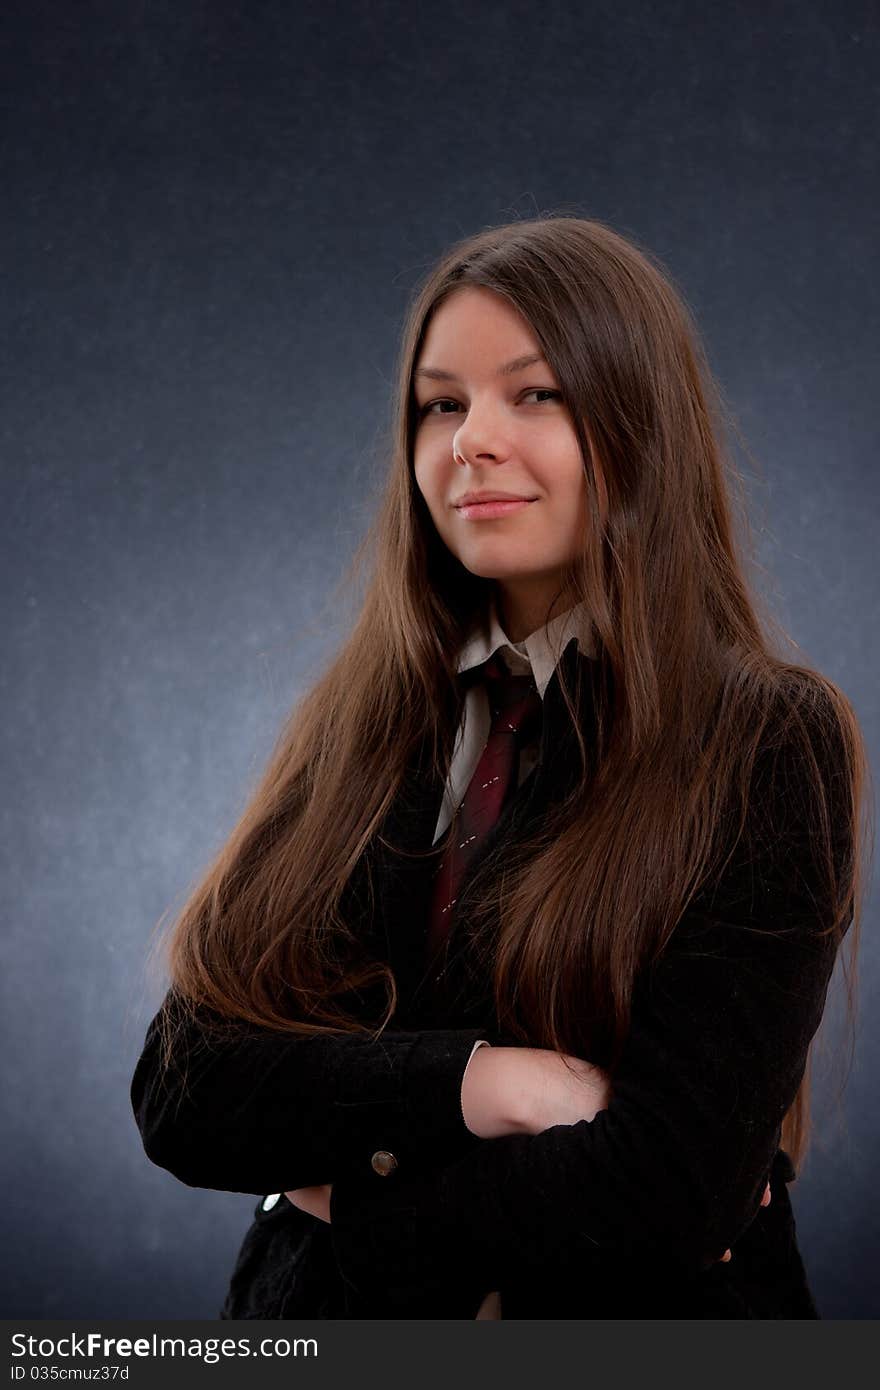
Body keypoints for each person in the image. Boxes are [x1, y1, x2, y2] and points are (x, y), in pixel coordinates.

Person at [131, 214, 868, 1320]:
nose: (470, 439)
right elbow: (184, 1087)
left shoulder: (763, 739)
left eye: (534, 394)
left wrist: (339, 1192)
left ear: (635, 421)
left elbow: (670, 1191)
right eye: (440, 403)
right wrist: (485, 1083)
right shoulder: (363, 726)